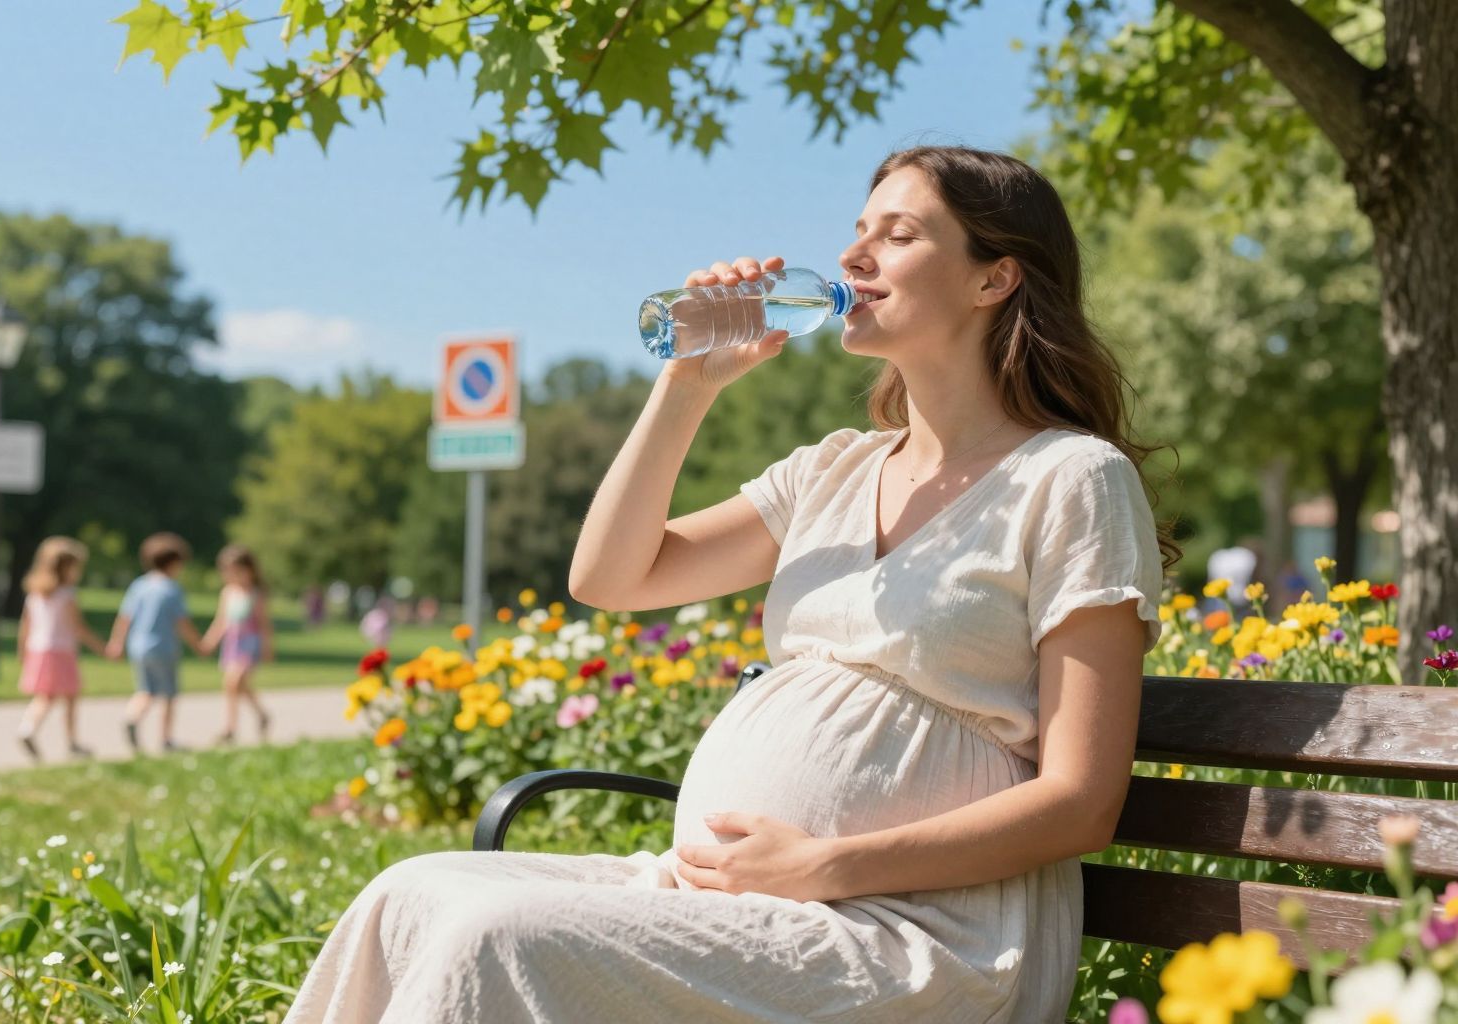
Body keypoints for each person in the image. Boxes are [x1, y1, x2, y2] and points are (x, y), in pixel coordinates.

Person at [284, 147, 1173, 1023]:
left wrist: (829, 863)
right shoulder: (834, 468)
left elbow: (1081, 801)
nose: (855, 256)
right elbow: (609, 577)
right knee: (409, 896)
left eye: (897, 236)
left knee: (498, 934)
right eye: (857, 232)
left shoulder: (1073, 479)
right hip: (752, 899)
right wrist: (685, 384)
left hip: (920, 932)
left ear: (995, 280)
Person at [107, 532, 205, 754]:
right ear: (174, 563)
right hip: (164, 647)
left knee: (145, 690)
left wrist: (116, 642)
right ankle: (166, 739)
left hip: (138, 647)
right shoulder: (172, 589)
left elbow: (125, 618)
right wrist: (197, 644)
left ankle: (132, 717)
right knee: (169, 695)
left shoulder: (139, 586)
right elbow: (182, 623)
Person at [14, 537, 106, 761]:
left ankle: (28, 728)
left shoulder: (35, 593)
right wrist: (101, 648)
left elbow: (25, 626)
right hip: (61, 651)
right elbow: (78, 628)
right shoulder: (67, 594)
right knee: (70, 697)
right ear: (67, 568)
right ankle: (72, 742)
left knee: (45, 695)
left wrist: (22, 650)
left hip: (38, 649)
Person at [200, 544, 274, 746]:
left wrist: (268, 647)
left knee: (233, 682)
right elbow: (221, 621)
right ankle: (261, 714)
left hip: (249, 644)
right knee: (237, 686)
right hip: (232, 643)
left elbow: (264, 624)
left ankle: (230, 728)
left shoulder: (256, 594)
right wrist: (209, 642)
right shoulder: (228, 593)